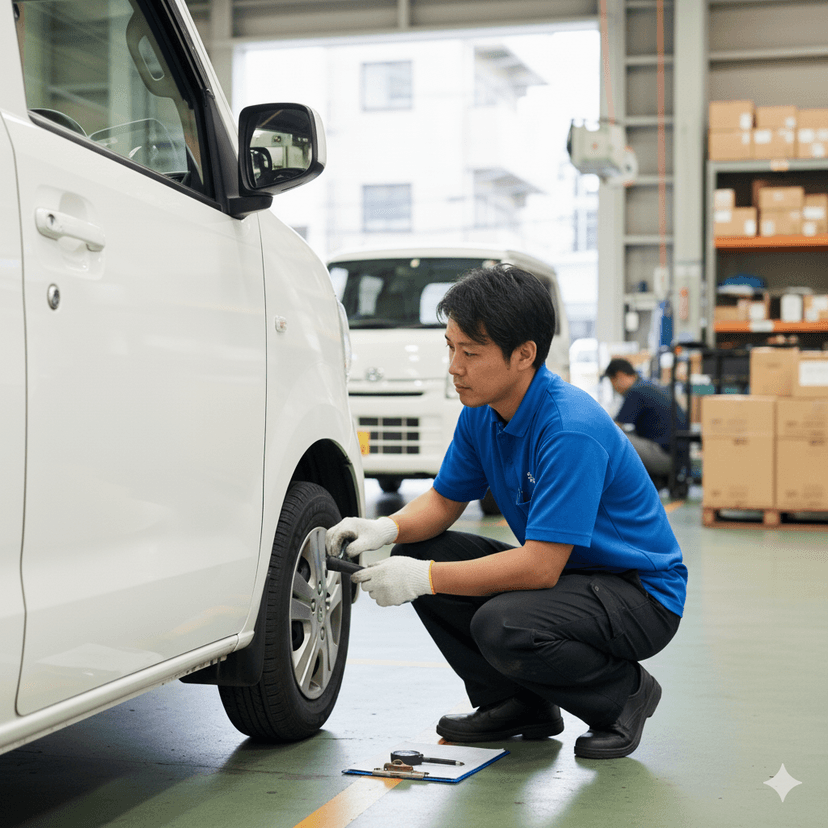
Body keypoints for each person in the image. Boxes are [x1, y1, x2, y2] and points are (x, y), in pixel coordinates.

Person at [326, 264, 687, 760]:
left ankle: (623, 696)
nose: (454, 366)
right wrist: (384, 527)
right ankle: (518, 704)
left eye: (470, 353)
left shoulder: (569, 429)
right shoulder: (483, 412)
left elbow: (539, 567)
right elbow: (443, 501)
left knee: (503, 623)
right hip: (572, 577)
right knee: (421, 547)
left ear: (524, 355)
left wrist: (423, 579)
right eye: (450, 347)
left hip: (638, 594)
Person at [603, 358, 688, 486]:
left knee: (613, 438)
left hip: (666, 459)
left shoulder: (635, 392)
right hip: (678, 458)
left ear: (620, 376)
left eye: (612, 382)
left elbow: (614, 428)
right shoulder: (648, 385)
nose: (614, 388)